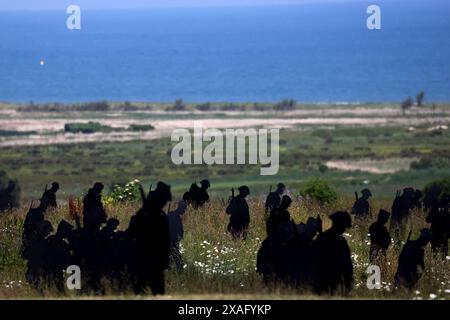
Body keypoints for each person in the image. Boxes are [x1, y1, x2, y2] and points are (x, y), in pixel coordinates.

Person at [127, 181, 171, 295]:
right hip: (143, 259)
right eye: (163, 200)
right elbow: (132, 235)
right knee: (141, 291)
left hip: (155, 260)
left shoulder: (159, 216)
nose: (165, 203)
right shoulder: (142, 215)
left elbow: (164, 241)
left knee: (158, 292)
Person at [313, 211, 353, 295]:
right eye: (344, 226)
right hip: (327, 280)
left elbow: (347, 264)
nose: (344, 229)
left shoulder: (340, 241)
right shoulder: (325, 239)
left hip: (337, 281)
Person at [168, 199, 188, 272]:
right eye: (184, 209)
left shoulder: (172, 215)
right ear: (181, 208)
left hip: (173, 240)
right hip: (172, 240)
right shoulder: (173, 216)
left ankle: (172, 271)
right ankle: (179, 271)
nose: (184, 211)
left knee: (171, 256)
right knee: (176, 257)